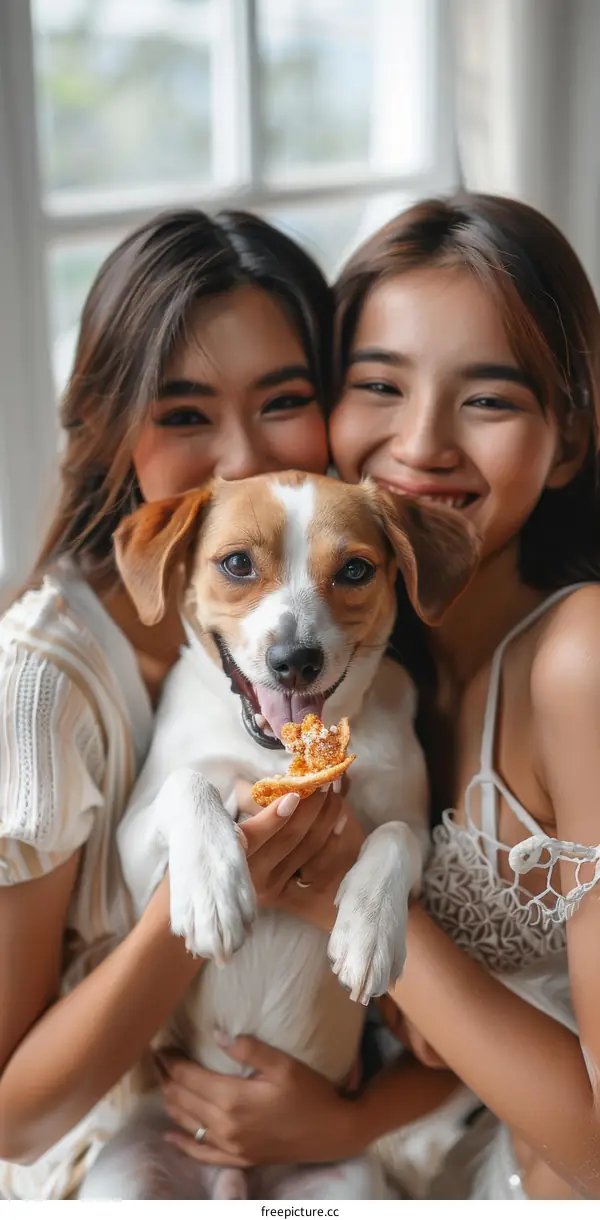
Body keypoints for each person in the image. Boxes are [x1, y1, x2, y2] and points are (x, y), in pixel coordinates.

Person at [159, 195, 600, 1201]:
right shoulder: (354, 647)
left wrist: (334, 871)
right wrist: (354, 1114)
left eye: (489, 399)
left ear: (569, 442)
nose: (423, 443)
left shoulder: (579, 659)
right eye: (379, 386)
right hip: (405, 1144)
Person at [0, 208, 361, 1200]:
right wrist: (203, 884)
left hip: (324, 1120)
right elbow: (13, 1114)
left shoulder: (339, 615)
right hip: (117, 1147)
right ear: (116, 428)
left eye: (285, 399)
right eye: (185, 411)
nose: (241, 458)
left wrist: (349, 1119)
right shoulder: (45, 684)